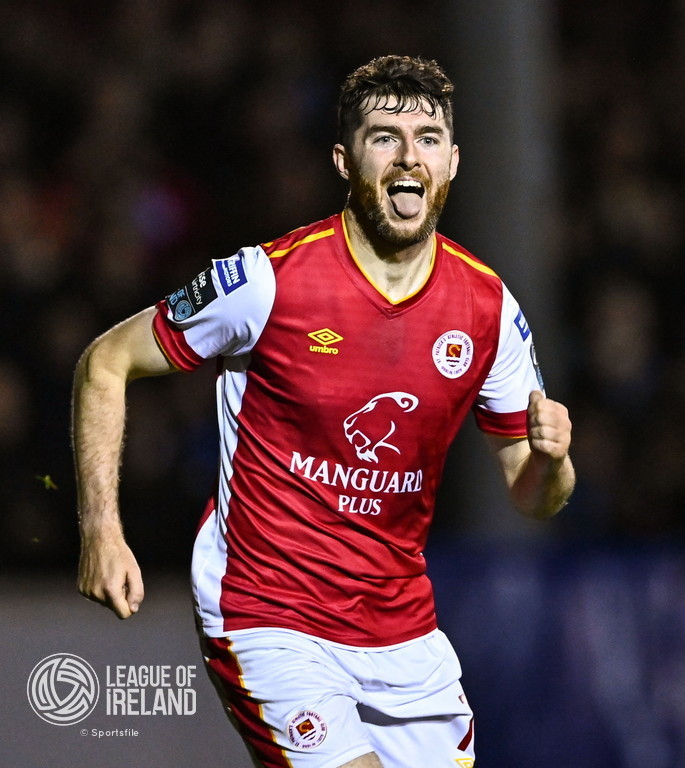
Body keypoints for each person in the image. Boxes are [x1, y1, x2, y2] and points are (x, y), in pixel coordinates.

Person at [73, 55, 575, 768]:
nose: (408, 156)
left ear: (453, 162)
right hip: (266, 609)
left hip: (401, 631)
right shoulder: (265, 281)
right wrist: (100, 529)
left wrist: (553, 462)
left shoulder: (487, 308)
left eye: (428, 138)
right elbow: (105, 361)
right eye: (384, 137)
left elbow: (533, 495)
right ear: (345, 160)